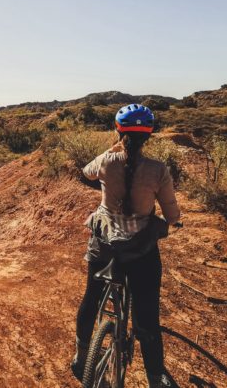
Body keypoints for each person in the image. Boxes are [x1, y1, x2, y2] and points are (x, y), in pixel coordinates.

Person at [71, 103, 180, 388]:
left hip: (105, 245)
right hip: (140, 251)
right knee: (146, 315)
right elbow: (170, 209)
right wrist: (174, 221)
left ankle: (82, 358)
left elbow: (86, 171)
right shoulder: (157, 169)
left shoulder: (107, 161)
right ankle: (155, 378)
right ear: (150, 135)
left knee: (91, 299)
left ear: (118, 131)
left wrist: (114, 149)